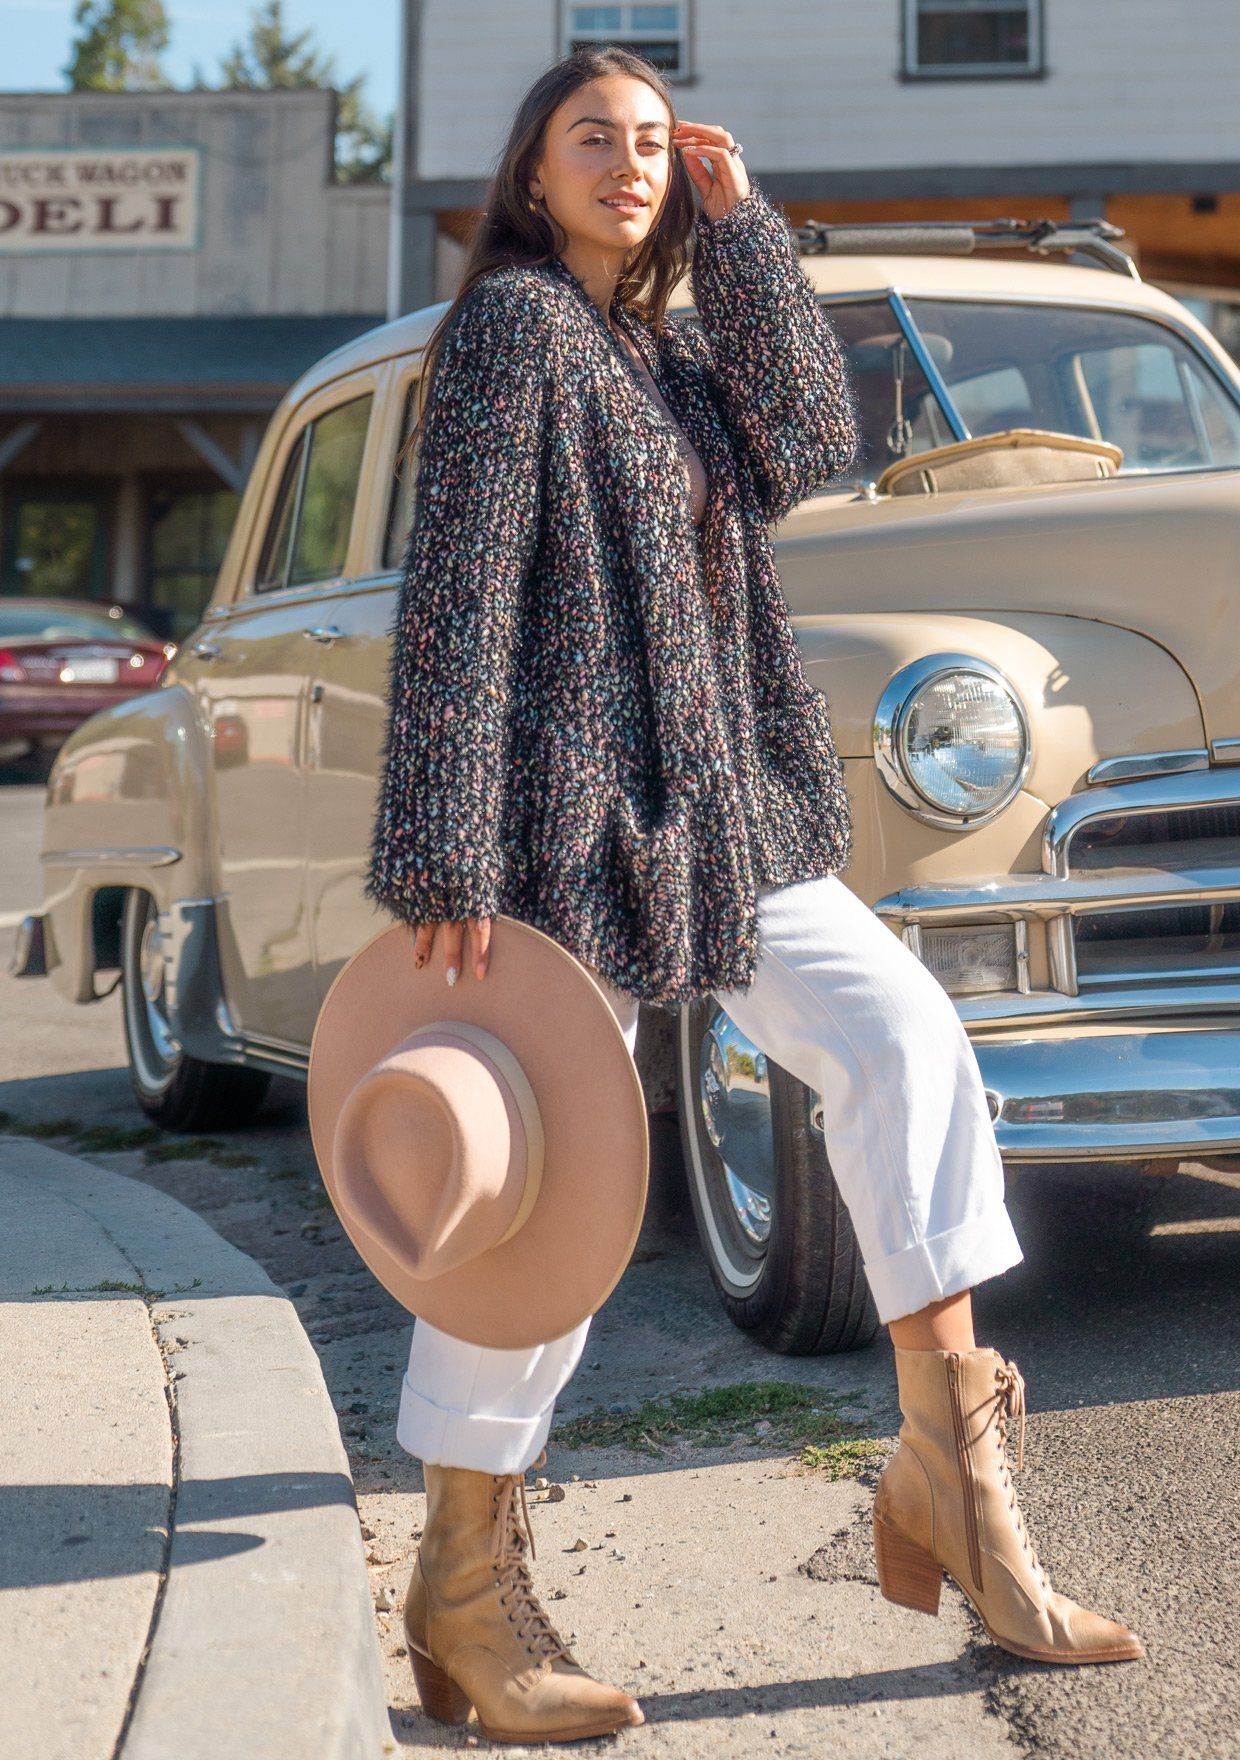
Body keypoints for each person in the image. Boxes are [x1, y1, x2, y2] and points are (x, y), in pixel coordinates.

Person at [364, 44, 1144, 1748]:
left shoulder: (674, 340)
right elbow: (462, 592)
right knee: (547, 1193)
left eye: (654, 141)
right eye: (594, 139)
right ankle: (462, 1587)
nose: (629, 163)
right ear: (531, 170)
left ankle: (953, 1485)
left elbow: (808, 444)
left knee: (909, 1040)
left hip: (728, 813)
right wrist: (442, 847)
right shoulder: (512, 330)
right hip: (570, 816)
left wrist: (752, 235)